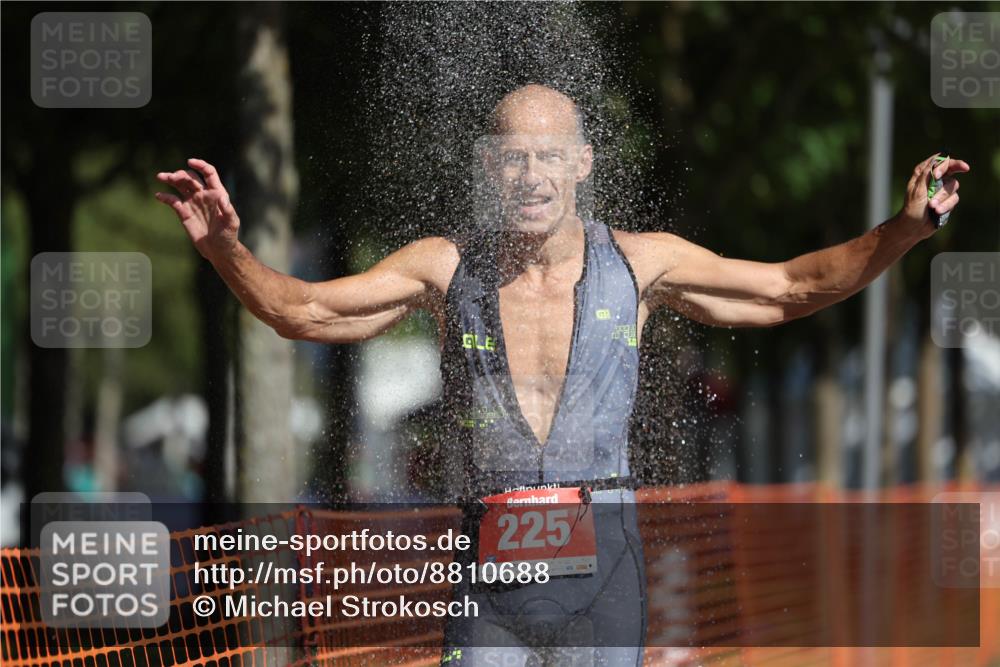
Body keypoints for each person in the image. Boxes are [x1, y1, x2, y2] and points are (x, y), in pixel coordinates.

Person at [155, 84, 969, 665]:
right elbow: (304, 312)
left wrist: (903, 229)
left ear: (582, 161)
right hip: (491, 568)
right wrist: (225, 248)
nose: (532, 175)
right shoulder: (445, 269)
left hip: (605, 559)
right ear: (487, 165)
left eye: (550, 155)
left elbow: (792, 286)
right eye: (513, 158)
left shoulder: (642, 264)